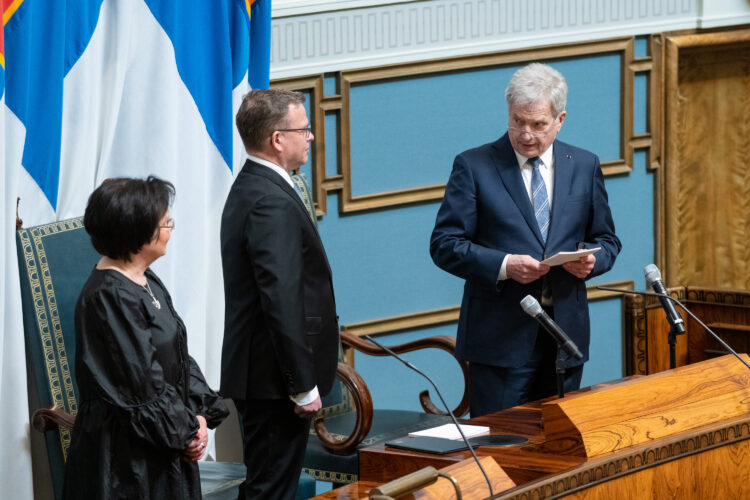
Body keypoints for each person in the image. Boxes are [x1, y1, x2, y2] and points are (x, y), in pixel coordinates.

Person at [430, 63, 621, 417]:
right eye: (518, 121)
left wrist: (594, 261)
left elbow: (607, 239)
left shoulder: (584, 164)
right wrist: (504, 266)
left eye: (538, 124)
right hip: (499, 342)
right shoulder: (473, 166)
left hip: (565, 339)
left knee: (560, 452)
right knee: (502, 452)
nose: (526, 134)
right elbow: (444, 244)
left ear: (560, 119)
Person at [63, 177, 229, 499]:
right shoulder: (108, 297)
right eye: (165, 222)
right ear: (136, 231)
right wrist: (186, 432)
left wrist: (200, 417)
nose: (171, 228)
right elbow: (142, 387)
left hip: (163, 441)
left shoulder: (144, 277)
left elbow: (176, 355)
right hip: (128, 462)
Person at [220, 89, 339, 499]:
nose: (310, 137)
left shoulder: (260, 187)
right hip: (274, 381)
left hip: (267, 376)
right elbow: (281, 298)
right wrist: (302, 385)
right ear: (276, 139)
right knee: (271, 491)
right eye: (303, 129)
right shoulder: (268, 201)